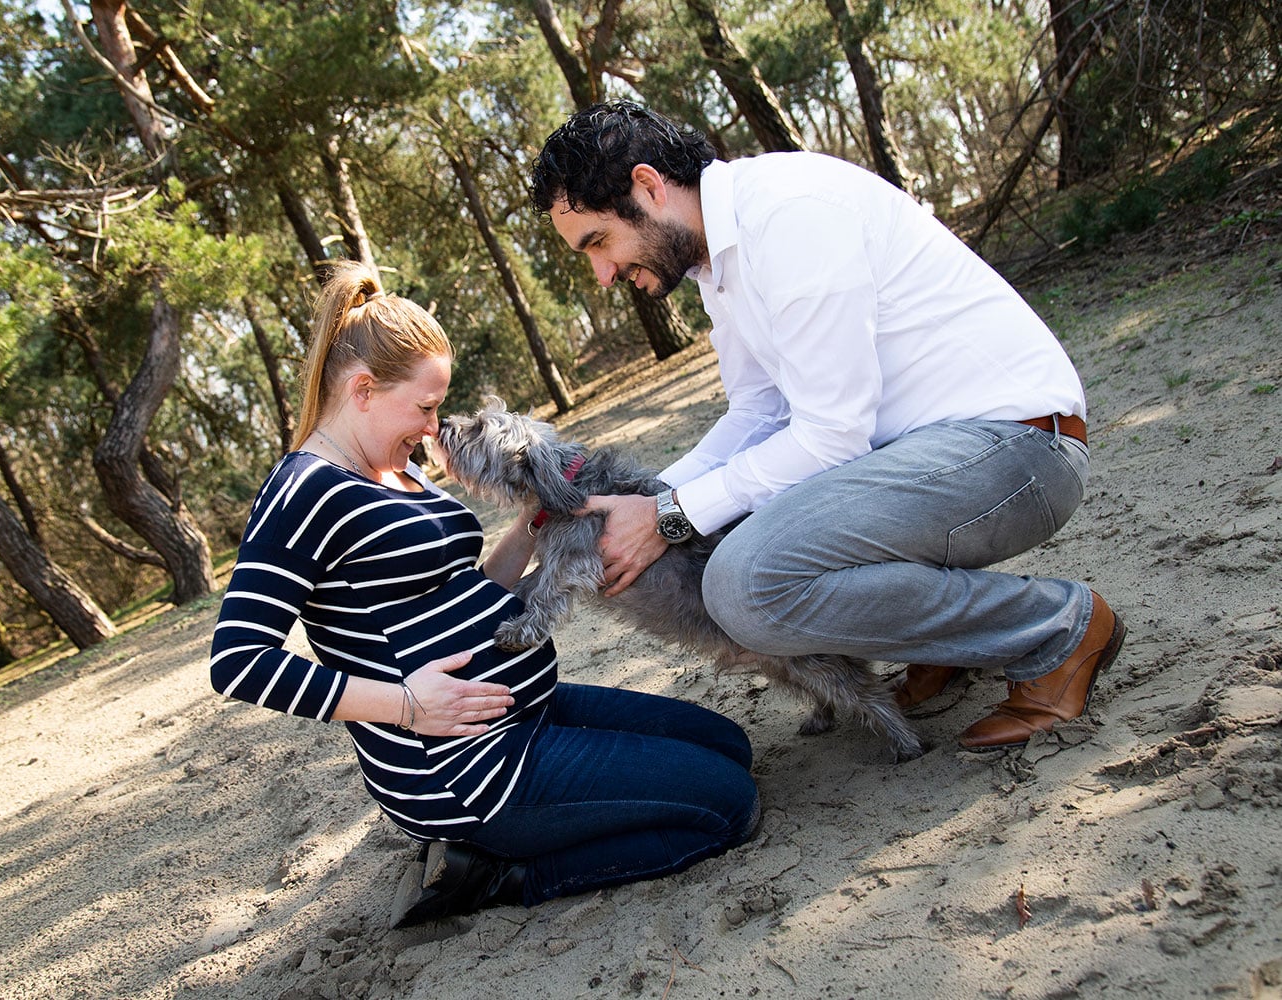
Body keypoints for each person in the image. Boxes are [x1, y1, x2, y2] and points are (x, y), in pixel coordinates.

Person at [528, 100, 1125, 752]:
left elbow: (830, 433)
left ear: (649, 187)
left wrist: (670, 516)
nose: (603, 273)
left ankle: (1058, 630)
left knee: (744, 585)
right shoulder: (716, 258)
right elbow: (760, 412)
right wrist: (649, 501)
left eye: (598, 243)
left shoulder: (788, 214)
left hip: (1017, 449)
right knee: (736, 527)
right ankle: (946, 644)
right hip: (925, 458)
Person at [209, 260, 758, 927]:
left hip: (524, 711)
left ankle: (519, 833)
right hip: (465, 766)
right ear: (362, 389)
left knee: (730, 745)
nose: (433, 428)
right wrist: (406, 705)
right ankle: (497, 874)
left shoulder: (395, 469)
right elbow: (238, 660)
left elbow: (460, 594)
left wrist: (539, 518)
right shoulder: (304, 493)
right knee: (727, 804)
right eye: (425, 407)